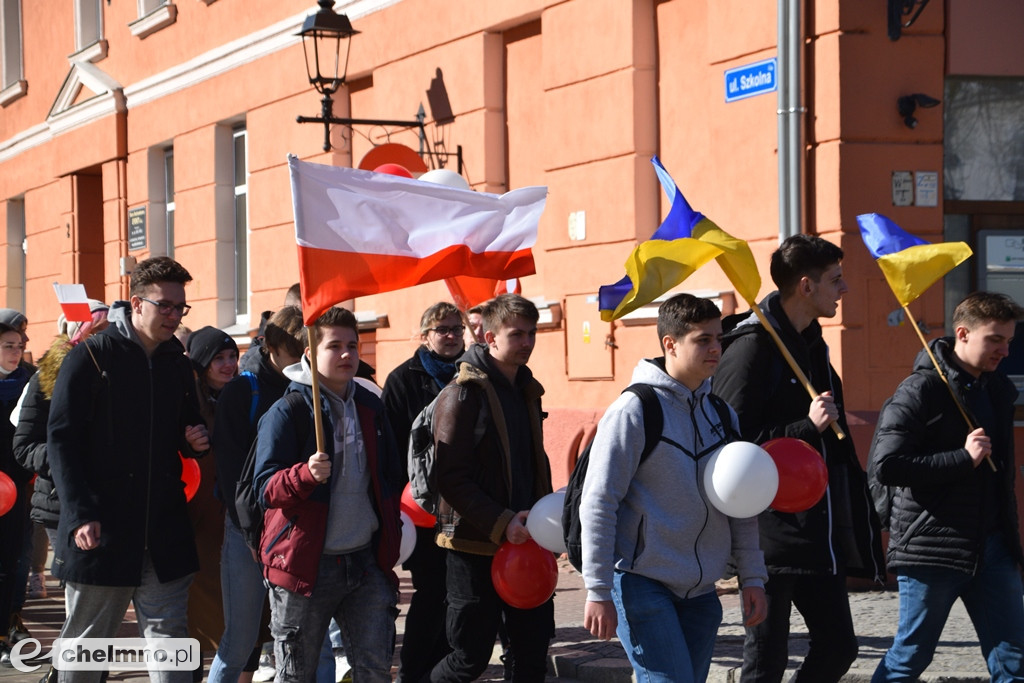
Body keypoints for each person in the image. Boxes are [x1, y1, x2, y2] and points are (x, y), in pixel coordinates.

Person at [714, 234, 885, 683]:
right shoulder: (752, 346)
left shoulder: (814, 345)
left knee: (839, 648)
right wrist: (805, 427)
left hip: (817, 528)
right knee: (766, 659)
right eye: (836, 280)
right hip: (768, 533)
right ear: (806, 286)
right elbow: (732, 440)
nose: (844, 289)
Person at [580, 293, 768, 682]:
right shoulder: (634, 410)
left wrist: (752, 577)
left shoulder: (721, 413)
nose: (716, 348)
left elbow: (742, 502)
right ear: (670, 343)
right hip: (641, 583)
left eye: (718, 338)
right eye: (703, 340)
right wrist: (597, 589)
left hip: (701, 593)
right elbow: (599, 501)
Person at [47, 256, 210, 683]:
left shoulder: (177, 360)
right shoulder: (93, 357)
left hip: (163, 528)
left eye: (181, 308)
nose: (174, 316)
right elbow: (61, 440)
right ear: (136, 303)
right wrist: (81, 512)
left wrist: (191, 438)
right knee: (87, 647)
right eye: (166, 306)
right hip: (103, 530)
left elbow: (184, 423)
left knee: (171, 645)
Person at [869, 291, 1024, 682]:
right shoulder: (920, 390)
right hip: (932, 549)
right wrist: (961, 458)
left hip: (992, 547)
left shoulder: (998, 390)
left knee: (1014, 662)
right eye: (995, 340)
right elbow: (887, 465)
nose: (1004, 351)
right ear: (963, 334)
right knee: (910, 657)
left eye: (1009, 340)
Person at [253, 306, 402, 683]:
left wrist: (390, 539)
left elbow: (388, 477)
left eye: (353, 345)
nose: (348, 355)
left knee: (374, 671)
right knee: (297, 674)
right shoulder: (288, 411)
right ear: (309, 353)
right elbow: (264, 488)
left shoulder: (370, 405)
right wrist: (304, 475)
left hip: (365, 561)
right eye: (334, 346)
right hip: (306, 564)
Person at [428, 293, 554, 682]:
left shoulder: (527, 388)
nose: (527, 342)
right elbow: (448, 478)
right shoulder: (462, 393)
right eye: (517, 334)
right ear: (489, 336)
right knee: (469, 659)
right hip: (473, 546)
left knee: (531, 654)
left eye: (532, 333)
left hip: (528, 543)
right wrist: (501, 521)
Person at [12, 301, 109, 682]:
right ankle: (70, 671)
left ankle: (80, 671)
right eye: (96, 334)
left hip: (107, 503)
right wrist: (63, 458)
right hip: (59, 505)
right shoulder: (45, 378)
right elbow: (24, 445)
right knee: (79, 598)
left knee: (96, 599)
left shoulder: (117, 376)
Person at [208, 306, 304, 683]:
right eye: (294, 354)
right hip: (248, 530)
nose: (301, 362)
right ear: (271, 348)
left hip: (296, 532)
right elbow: (232, 474)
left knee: (300, 641)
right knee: (241, 639)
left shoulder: (309, 387)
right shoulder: (242, 390)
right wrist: (250, 532)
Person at [381, 301, 465, 682]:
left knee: (459, 596)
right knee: (431, 593)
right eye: (442, 329)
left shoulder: (473, 373)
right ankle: (414, 673)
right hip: (420, 506)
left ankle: (444, 671)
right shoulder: (404, 379)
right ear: (426, 336)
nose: (451, 336)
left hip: (466, 506)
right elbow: (392, 447)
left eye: (456, 329)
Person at [184, 326, 240, 668]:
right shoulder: (188, 404)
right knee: (192, 614)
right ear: (202, 363)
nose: (228, 364)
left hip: (230, 517)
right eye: (219, 358)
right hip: (195, 521)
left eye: (232, 356)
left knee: (231, 615)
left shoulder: (245, 397)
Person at [0, 321, 34, 665]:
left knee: (12, 561)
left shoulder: (28, 383)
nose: (16, 352)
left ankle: (7, 626)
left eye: (19, 346)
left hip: (15, 487)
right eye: (8, 346)